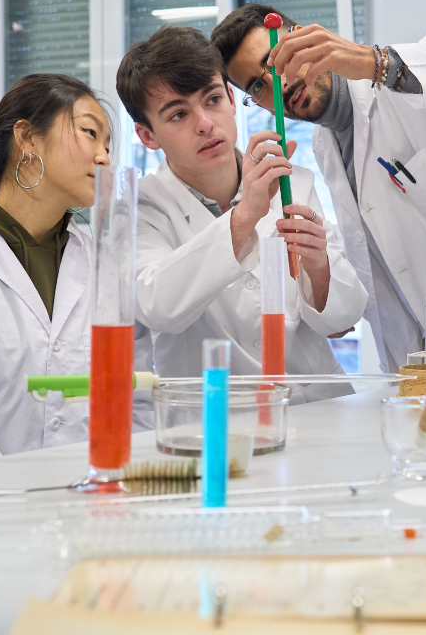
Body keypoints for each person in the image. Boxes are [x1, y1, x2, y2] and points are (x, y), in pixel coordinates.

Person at [212, 4, 426, 373]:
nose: (280, 83)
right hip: (425, 377)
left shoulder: (408, 75)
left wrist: (376, 63)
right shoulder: (325, 148)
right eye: (258, 85)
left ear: (305, 38)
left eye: (277, 62)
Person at [0, 73, 153, 454]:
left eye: (107, 144)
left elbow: (136, 394)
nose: (104, 157)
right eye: (89, 133)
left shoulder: (106, 261)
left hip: (89, 493)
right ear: (27, 138)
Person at [115, 26, 367, 401]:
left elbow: (342, 319)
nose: (204, 123)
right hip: (212, 424)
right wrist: (245, 215)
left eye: (213, 99)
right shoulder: (138, 211)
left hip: (314, 409)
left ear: (232, 99)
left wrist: (319, 267)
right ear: (147, 136)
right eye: (178, 114)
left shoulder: (291, 183)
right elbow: (159, 306)